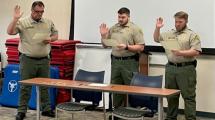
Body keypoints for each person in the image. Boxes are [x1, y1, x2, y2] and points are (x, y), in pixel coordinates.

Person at [7, 1, 58, 120]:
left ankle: (46, 109)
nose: (39, 14)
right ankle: (21, 111)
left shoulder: (48, 22)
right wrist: (15, 19)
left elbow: (56, 35)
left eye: (41, 12)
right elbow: (10, 31)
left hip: (44, 60)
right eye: (37, 12)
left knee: (45, 86)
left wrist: (50, 39)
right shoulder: (23, 22)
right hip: (28, 60)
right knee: (25, 86)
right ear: (32, 10)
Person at [153, 11, 201, 120]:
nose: (177, 24)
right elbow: (156, 39)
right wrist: (158, 28)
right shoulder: (170, 33)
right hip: (170, 68)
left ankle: (190, 118)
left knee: (188, 97)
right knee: (171, 96)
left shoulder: (192, 35)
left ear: (186, 21)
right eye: (176, 21)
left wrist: (181, 53)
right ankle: (171, 118)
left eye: (180, 21)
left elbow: (196, 51)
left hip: (186, 69)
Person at [99, 7, 145, 110]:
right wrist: (103, 36)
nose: (120, 19)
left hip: (129, 62)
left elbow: (141, 47)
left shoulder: (135, 29)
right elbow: (105, 45)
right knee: (115, 87)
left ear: (128, 16)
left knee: (132, 87)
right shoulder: (114, 28)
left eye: (123, 17)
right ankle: (117, 112)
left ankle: (133, 112)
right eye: (119, 17)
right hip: (115, 62)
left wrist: (127, 47)